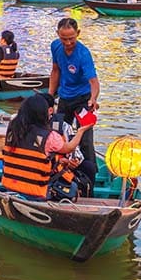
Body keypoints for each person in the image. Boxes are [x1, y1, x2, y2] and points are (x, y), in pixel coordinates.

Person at [1, 93, 95, 200]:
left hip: (11, 185)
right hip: (36, 191)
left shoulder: (12, 131)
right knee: (74, 186)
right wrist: (81, 131)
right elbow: (69, 147)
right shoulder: (50, 136)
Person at [49, 17, 99, 168]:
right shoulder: (55, 46)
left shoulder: (83, 54)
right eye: (64, 39)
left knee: (85, 137)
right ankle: (59, 166)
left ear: (78, 33)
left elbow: (94, 82)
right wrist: (49, 96)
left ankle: (90, 170)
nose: (68, 43)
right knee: (57, 132)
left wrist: (93, 99)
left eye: (71, 38)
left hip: (83, 98)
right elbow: (55, 71)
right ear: (58, 34)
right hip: (65, 96)